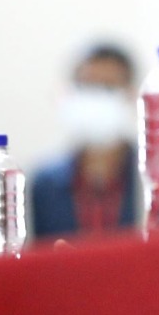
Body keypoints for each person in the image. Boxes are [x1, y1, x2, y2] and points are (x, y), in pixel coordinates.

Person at [29, 41, 140, 240]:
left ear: (130, 96)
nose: (95, 97)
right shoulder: (45, 183)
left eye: (108, 87)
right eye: (86, 86)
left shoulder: (151, 176)